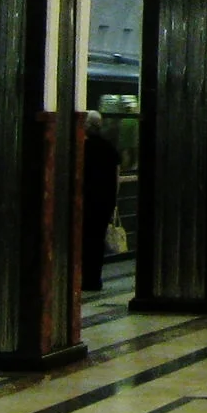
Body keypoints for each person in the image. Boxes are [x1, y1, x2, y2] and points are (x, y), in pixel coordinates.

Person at [79, 110, 119, 291]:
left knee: (83, 241)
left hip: (86, 202)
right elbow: (116, 178)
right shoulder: (110, 148)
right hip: (105, 203)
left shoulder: (81, 148)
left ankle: (82, 278)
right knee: (97, 242)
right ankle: (94, 279)